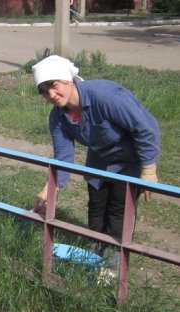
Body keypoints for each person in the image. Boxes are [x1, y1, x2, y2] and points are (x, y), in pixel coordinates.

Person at [31, 55, 160, 271]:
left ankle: (113, 265)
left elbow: (146, 127)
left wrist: (148, 170)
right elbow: (63, 157)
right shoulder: (58, 117)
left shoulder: (105, 96)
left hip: (129, 158)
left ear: (68, 80)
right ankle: (95, 255)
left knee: (119, 209)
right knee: (96, 206)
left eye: (54, 85)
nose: (51, 94)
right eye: (44, 91)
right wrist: (48, 190)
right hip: (99, 159)